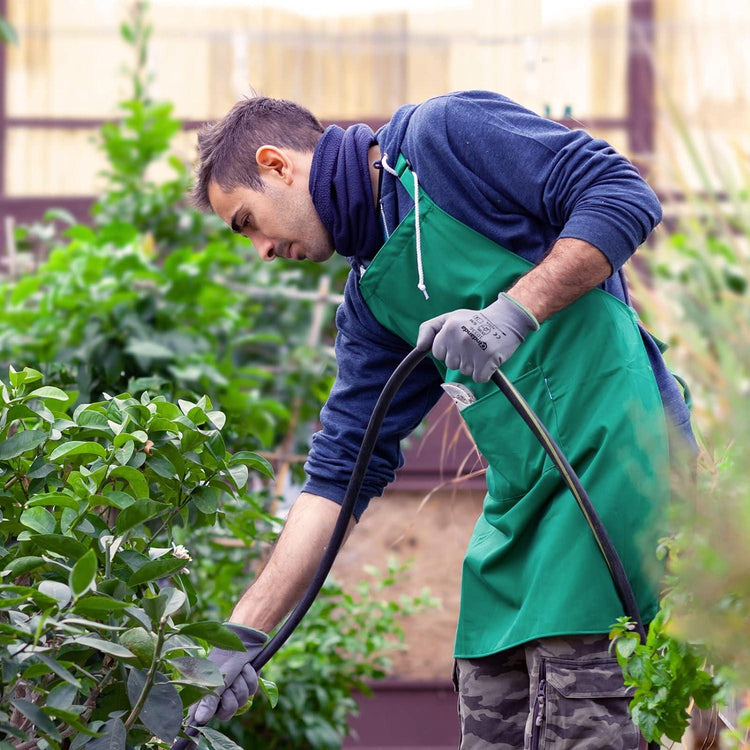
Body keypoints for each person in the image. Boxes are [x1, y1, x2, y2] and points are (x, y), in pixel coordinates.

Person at [182, 91, 695, 749]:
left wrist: (512, 314)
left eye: (246, 222)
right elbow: (338, 474)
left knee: (584, 716)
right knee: (487, 696)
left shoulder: (445, 139)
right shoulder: (371, 301)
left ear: (278, 165)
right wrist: (242, 636)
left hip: (617, 474)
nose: (259, 250)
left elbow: (623, 194)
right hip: (521, 509)